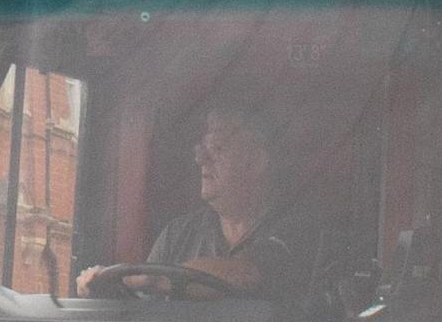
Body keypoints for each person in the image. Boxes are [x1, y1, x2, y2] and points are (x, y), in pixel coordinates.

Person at [81, 102, 300, 302]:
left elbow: (245, 275)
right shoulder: (178, 234)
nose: (200, 159)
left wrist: (145, 276)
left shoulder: (298, 228)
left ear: (255, 162)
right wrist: (108, 287)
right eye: (201, 149)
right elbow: (145, 307)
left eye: (217, 149)